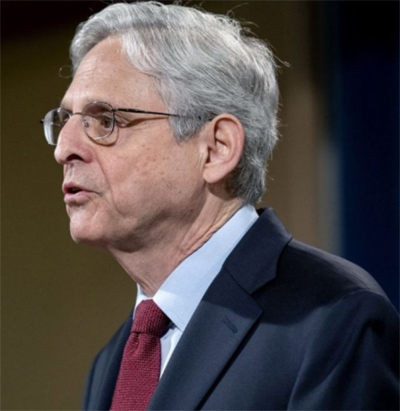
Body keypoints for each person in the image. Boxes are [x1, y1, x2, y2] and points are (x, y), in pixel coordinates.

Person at [41, 2, 399, 410]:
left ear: (216, 148)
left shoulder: (334, 319)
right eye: (66, 120)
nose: (64, 149)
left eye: (105, 120)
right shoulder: (112, 362)